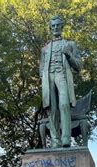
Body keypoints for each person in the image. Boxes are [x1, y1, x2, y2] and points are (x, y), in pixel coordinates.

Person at [39, 15, 81, 148]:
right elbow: (41, 68)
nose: (55, 27)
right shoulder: (44, 49)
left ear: (62, 27)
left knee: (64, 105)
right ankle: (55, 141)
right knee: (52, 109)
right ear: (50, 28)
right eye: (53, 26)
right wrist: (43, 77)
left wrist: (69, 55)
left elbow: (79, 66)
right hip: (48, 77)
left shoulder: (70, 44)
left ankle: (65, 139)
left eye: (58, 25)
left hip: (62, 75)